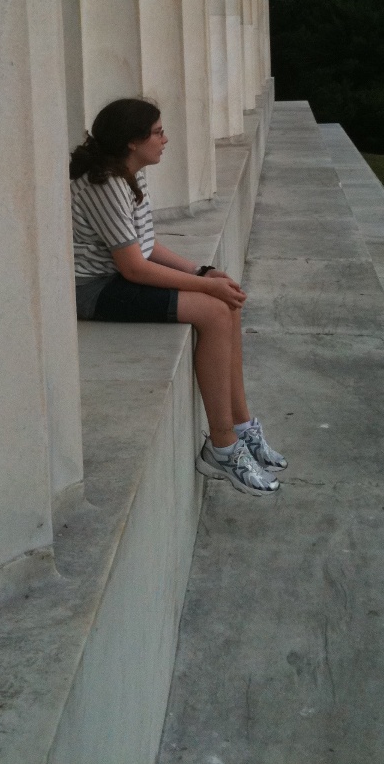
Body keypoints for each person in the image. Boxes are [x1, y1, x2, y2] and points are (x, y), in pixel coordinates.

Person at [70, 97, 287, 497]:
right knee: (214, 310)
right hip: (92, 289)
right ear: (132, 142)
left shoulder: (130, 173)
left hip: (114, 277)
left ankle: (242, 425)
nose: (166, 139)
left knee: (228, 303)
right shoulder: (106, 183)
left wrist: (202, 272)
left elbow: (146, 246)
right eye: (157, 132)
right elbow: (134, 268)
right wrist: (206, 287)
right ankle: (221, 447)